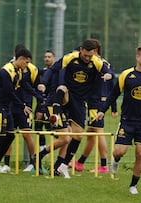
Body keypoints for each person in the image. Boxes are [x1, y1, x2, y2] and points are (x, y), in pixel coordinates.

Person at [97, 44, 141, 195]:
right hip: (127, 120)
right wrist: (103, 110)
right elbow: (114, 94)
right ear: (138, 57)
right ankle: (115, 160)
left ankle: (133, 186)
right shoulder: (126, 75)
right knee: (120, 151)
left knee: (140, 153)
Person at [36, 39, 113, 178]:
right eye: (86, 55)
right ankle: (56, 114)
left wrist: (108, 75)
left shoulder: (96, 61)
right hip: (65, 97)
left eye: (91, 56)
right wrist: (43, 83)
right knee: (62, 90)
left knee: (77, 135)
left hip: (80, 101)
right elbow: (53, 69)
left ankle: (62, 166)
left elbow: (109, 71)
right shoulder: (70, 58)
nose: (88, 58)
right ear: (81, 50)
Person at [70, 39, 118, 173]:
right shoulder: (103, 63)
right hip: (97, 101)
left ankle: (104, 165)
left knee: (98, 131)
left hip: (96, 102)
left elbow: (111, 84)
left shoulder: (98, 64)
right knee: (91, 133)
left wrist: (113, 107)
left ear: (95, 51)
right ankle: (80, 163)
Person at [2, 44, 44, 173]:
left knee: (27, 134)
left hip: (26, 107)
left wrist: (40, 107)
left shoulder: (32, 69)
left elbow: (35, 87)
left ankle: (34, 163)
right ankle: (6, 164)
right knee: (8, 135)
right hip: (11, 106)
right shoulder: (9, 68)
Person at [34, 50, 56, 149]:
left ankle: (62, 143)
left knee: (52, 127)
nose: (47, 59)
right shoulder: (41, 73)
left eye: (49, 57)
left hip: (52, 104)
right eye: (46, 57)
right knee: (38, 125)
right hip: (41, 103)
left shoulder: (56, 72)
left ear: (54, 58)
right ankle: (42, 147)